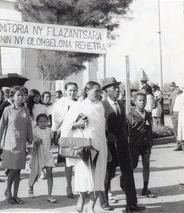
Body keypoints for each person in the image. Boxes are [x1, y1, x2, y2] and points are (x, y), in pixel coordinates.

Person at [61, 81, 108, 213]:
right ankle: (81, 198)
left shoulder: (101, 105)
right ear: (87, 91)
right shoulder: (79, 105)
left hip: (100, 145)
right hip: (85, 146)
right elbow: (66, 126)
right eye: (96, 91)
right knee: (85, 176)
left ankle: (91, 206)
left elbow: (103, 128)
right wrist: (78, 124)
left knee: (99, 177)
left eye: (100, 91)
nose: (99, 93)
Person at [101, 77, 145, 212]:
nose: (116, 89)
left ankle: (131, 204)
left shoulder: (121, 104)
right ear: (106, 91)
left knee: (128, 173)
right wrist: (107, 135)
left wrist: (127, 139)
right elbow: (99, 126)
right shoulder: (101, 106)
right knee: (107, 174)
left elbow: (124, 126)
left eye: (117, 87)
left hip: (124, 146)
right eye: (113, 87)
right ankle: (104, 202)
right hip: (109, 147)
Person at [0, 86, 33, 205]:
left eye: (23, 95)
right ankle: (7, 191)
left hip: (21, 144)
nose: (21, 97)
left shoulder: (26, 110)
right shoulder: (7, 109)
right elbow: (1, 127)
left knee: (18, 170)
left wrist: (31, 141)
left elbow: (28, 127)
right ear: (13, 96)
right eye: (18, 95)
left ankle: (15, 195)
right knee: (13, 169)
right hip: (10, 144)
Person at [51, 82, 78, 198]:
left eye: (74, 90)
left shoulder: (80, 102)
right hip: (66, 134)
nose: (72, 92)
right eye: (70, 90)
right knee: (69, 163)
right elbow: (56, 120)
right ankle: (69, 186)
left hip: (79, 135)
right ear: (66, 91)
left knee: (80, 161)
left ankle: (80, 186)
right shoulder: (60, 103)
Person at [127, 92, 155, 198]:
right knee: (132, 166)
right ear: (134, 102)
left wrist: (150, 142)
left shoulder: (147, 114)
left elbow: (149, 129)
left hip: (146, 144)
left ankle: (145, 188)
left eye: (144, 100)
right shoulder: (130, 116)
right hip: (134, 145)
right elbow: (127, 132)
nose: (142, 102)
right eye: (140, 100)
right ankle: (127, 186)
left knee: (146, 165)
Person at [28, 114, 57, 203]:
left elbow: (53, 141)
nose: (43, 123)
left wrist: (57, 135)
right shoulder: (35, 131)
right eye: (41, 122)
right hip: (38, 155)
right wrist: (36, 142)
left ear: (48, 122)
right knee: (35, 172)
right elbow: (31, 143)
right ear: (37, 122)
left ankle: (49, 195)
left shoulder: (50, 131)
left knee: (50, 174)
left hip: (48, 154)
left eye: (45, 122)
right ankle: (30, 187)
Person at [171, 84, 184, 151]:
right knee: (176, 130)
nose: (176, 89)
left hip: (182, 113)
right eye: (176, 87)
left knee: (183, 130)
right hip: (175, 112)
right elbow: (171, 103)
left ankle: (183, 145)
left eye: (178, 87)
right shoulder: (174, 94)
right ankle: (178, 144)